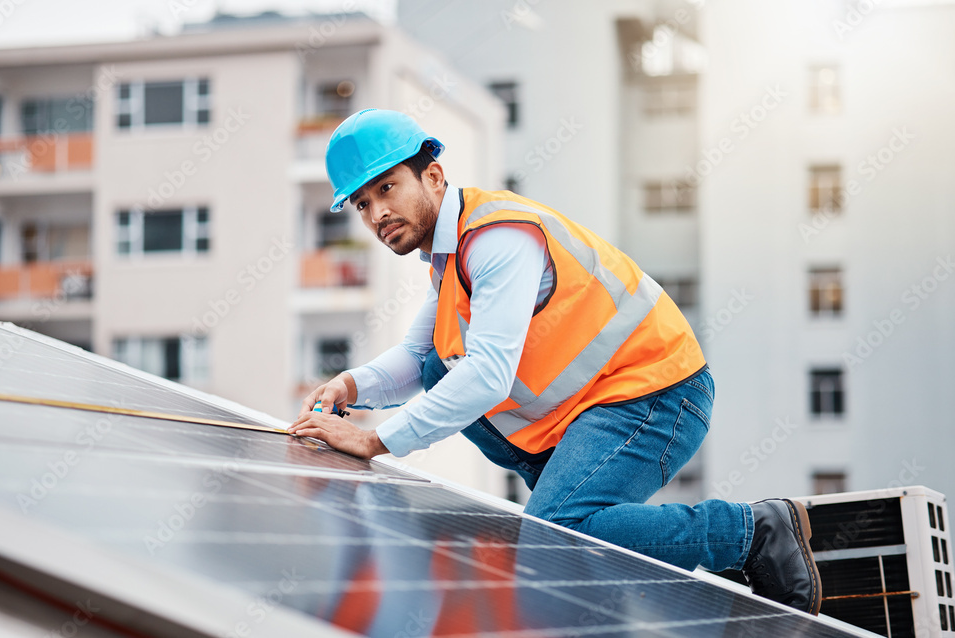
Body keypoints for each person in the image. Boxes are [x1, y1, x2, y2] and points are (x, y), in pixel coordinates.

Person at [289, 108, 822, 615]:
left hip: (658, 392)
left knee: (556, 536)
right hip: (597, 407)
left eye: (387, 188)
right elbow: (417, 358)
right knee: (439, 371)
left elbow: (490, 374)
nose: (378, 212)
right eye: (361, 203)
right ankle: (568, 496)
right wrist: (349, 387)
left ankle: (753, 532)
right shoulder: (449, 260)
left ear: (432, 176)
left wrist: (376, 440)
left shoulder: (496, 237)